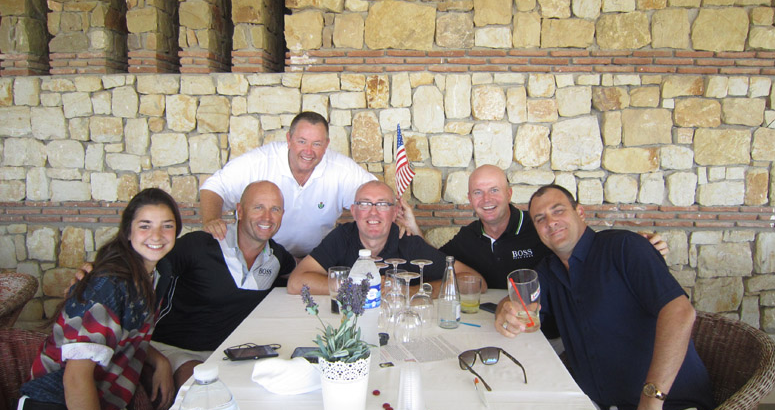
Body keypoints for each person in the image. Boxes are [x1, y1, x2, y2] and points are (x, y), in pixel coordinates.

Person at [494, 184, 714, 410]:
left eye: (558, 211)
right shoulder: (549, 270)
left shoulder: (624, 248)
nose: (550, 222)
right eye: (540, 219)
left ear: (580, 212)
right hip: (598, 409)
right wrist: (506, 309)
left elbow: (680, 312)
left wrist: (651, 401)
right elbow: (522, 306)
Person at [11, 188, 180, 410]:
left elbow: (120, 335)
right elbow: (76, 382)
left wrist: (159, 360)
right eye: (145, 225)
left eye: (166, 225)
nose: (157, 235)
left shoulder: (155, 274)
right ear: (128, 231)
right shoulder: (109, 284)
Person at [400, 164, 668, 289]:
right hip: (493, 322)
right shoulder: (469, 235)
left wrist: (643, 248)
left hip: (547, 329)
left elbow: (587, 248)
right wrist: (415, 227)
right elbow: (440, 263)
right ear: (470, 199)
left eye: (494, 190)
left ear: (509, 193)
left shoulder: (540, 226)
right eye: (478, 193)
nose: (487, 199)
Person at [152, 180, 295, 388]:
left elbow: (304, 272)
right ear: (240, 211)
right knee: (201, 387)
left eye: (275, 209)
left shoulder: (277, 257)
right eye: (258, 207)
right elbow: (144, 269)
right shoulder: (199, 245)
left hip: (230, 354)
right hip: (176, 350)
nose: (267, 217)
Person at [200, 111, 375, 258]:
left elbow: (377, 195)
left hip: (316, 259)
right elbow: (215, 186)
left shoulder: (341, 168)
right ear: (289, 139)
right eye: (301, 141)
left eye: (316, 144)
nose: (308, 151)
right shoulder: (261, 161)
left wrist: (391, 225)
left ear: (326, 145)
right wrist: (211, 220)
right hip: (261, 257)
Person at [288, 181, 482, 295]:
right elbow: (296, 282)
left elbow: (475, 281)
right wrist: (355, 286)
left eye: (382, 204)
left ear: (395, 212)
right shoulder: (342, 237)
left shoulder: (408, 243)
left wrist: (412, 291)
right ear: (354, 211)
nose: (373, 212)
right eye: (365, 204)